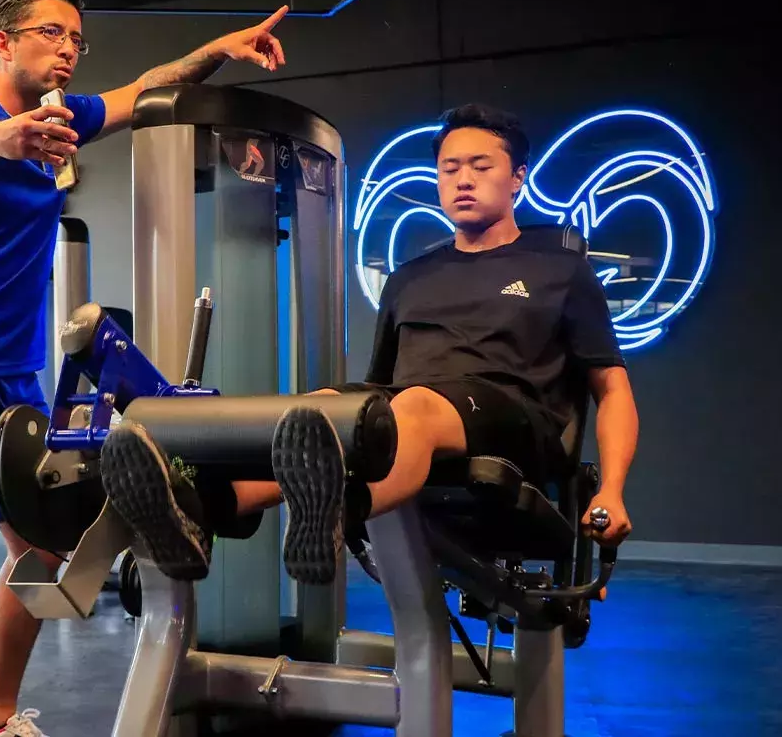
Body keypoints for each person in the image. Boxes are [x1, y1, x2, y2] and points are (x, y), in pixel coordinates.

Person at [0, 0, 291, 737]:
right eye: (51, 34)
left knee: (43, 543)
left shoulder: (65, 116)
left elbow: (144, 90)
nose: (68, 49)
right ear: (3, 43)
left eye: (77, 39)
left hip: (14, 370)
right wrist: (3, 138)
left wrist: (219, 49)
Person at [100, 102, 641, 585]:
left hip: (514, 422)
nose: (463, 180)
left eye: (481, 167)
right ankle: (205, 510)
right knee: (320, 408)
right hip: (415, 410)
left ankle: (337, 512)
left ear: (517, 177)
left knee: (416, 405)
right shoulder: (410, 277)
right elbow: (381, 384)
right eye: (450, 169)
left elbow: (612, 390)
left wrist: (611, 489)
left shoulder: (561, 270)